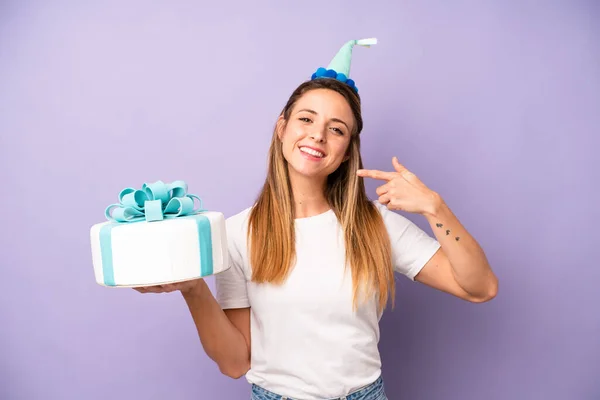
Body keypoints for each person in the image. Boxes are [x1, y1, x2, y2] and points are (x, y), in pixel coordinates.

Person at [134, 38, 498, 400]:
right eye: (306, 119)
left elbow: (480, 288)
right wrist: (194, 289)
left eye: (337, 128)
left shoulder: (374, 225)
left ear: (345, 153)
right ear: (282, 129)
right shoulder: (236, 234)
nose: (318, 135)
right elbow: (234, 364)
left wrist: (436, 208)